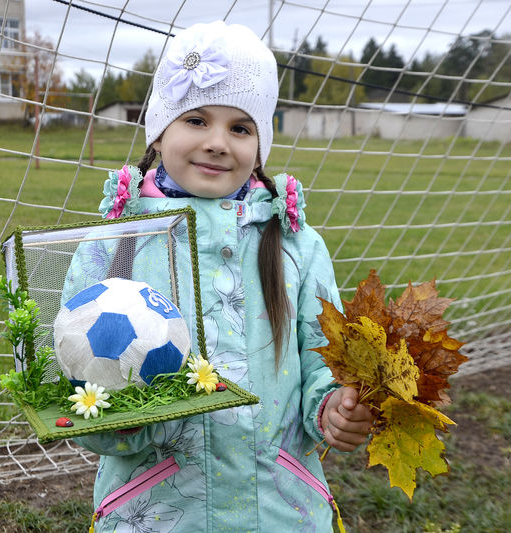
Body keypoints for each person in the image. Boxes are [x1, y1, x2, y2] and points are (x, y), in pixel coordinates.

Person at [67, 20, 373, 532]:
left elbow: (325, 361)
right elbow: (80, 392)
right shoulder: (112, 246)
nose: (217, 142)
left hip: (282, 511)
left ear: (260, 142)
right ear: (160, 131)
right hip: (158, 515)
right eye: (195, 119)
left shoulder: (298, 246)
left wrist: (335, 407)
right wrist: (127, 421)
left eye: (240, 127)